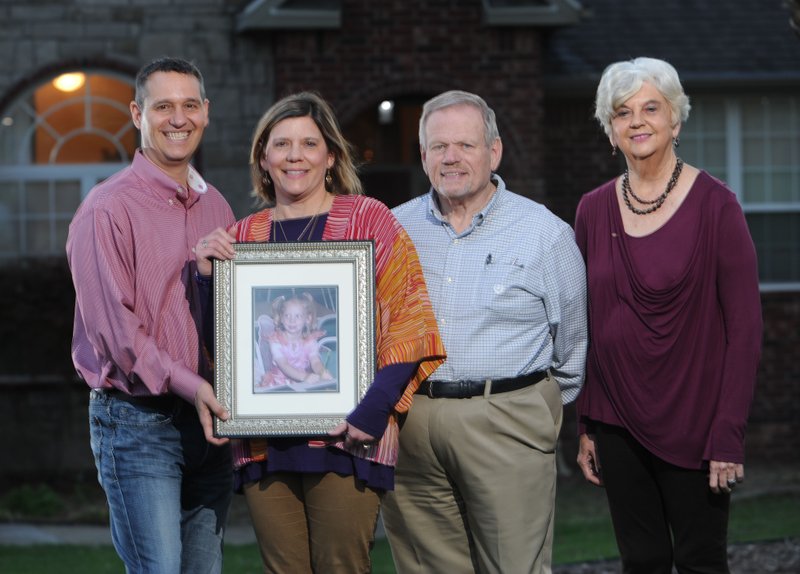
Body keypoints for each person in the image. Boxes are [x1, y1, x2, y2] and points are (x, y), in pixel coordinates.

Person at [194, 91, 446, 573]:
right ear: (263, 159)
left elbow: (409, 321)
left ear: (330, 155)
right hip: (264, 440)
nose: (295, 155)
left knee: (341, 565)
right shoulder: (242, 238)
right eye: (281, 144)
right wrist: (207, 280)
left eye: (309, 143)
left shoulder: (369, 219)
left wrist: (371, 414)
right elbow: (226, 345)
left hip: (348, 436)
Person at [382, 90, 588, 573]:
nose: (451, 157)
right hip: (413, 427)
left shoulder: (544, 233)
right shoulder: (394, 229)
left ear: (493, 152)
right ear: (423, 156)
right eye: (439, 147)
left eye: (465, 145)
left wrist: (531, 407)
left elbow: (573, 345)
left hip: (507, 421)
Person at [574, 57, 763, 573]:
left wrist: (729, 431)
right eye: (622, 112)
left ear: (675, 120)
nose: (637, 121)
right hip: (615, 422)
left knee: (701, 560)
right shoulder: (592, 210)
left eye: (650, 108)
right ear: (610, 129)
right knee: (643, 560)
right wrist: (586, 422)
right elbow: (588, 324)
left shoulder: (717, 206)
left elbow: (745, 330)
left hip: (697, 422)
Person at [66, 57, 236, 573]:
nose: (177, 118)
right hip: (137, 423)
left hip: (210, 426)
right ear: (138, 113)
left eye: (189, 105)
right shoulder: (106, 209)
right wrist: (194, 384)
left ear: (206, 113)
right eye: (163, 106)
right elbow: (118, 336)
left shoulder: (219, 208)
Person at [260, 293, 333, 390]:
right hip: (280, 383)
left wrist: (321, 371)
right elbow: (284, 365)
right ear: (281, 318)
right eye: (287, 316)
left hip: (303, 382)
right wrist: (304, 376)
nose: (292, 321)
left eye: (297, 316)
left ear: (307, 319)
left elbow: (315, 361)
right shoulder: (276, 341)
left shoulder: (309, 341)